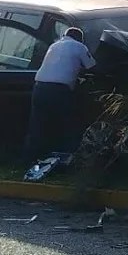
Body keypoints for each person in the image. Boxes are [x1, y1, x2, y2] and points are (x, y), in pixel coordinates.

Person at [24, 27, 96, 161]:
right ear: (80, 38)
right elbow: (92, 68)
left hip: (39, 87)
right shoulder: (79, 47)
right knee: (67, 124)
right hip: (59, 90)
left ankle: (30, 158)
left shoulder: (54, 45)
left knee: (37, 124)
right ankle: (65, 159)